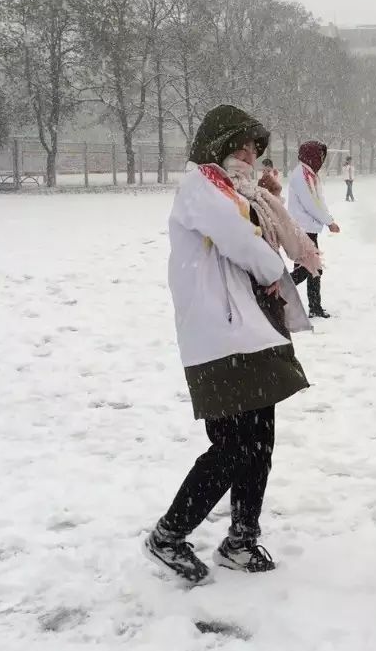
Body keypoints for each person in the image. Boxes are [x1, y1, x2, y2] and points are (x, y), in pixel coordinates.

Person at [145, 105, 320, 584]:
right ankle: (168, 535)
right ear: (216, 144)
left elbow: (257, 241)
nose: (248, 155)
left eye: (254, 149)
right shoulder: (200, 189)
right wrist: (274, 271)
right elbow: (241, 243)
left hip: (254, 329)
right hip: (218, 337)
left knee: (259, 440)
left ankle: (242, 538)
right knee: (232, 446)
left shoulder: (242, 194)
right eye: (240, 146)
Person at [288, 141, 340, 318]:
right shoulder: (301, 176)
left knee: (312, 270)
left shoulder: (310, 175)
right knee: (307, 269)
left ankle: (314, 307)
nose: (322, 159)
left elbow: (320, 201)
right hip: (302, 230)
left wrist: (328, 219)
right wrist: (328, 222)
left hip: (308, 229)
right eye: (320, 156)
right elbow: (311, 204)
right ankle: (273, 293)